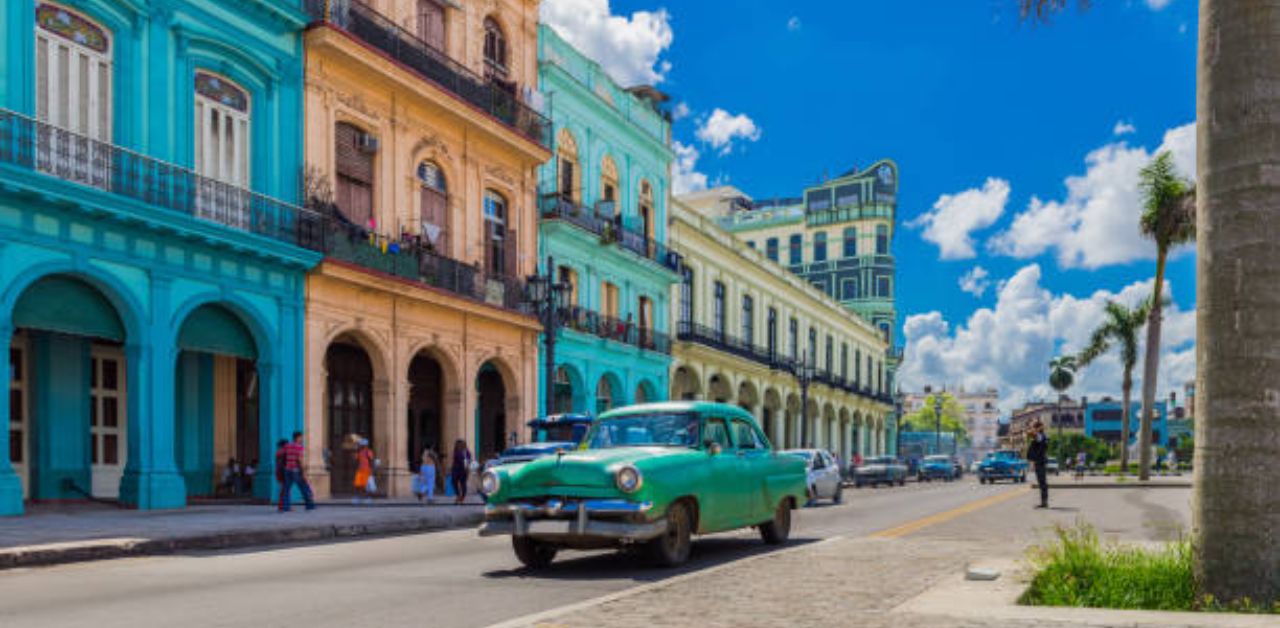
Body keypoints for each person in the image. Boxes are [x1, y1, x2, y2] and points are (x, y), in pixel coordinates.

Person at [280, 432, 315, 512]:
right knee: (304, 487)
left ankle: (286, 507)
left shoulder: (287, 446)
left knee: (286, 489)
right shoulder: (299, 447)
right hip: (296, 470)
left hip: (288, 469)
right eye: (301, 437)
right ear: (298, 438)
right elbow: (300, 460)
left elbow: (282, 456)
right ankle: (310, 505)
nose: (302, 439)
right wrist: (303, 472)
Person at [1026, 421, 1050, 508]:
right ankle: (1044, 502)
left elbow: (1032, 434)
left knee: (1042, 482)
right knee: (1041, 482)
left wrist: (1034, 430)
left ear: (1038, 427)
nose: (1033, 429)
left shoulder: (1040, 436)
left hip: (1040, 461)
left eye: (1035, 427)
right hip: (1039, 461)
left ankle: (1044, 502)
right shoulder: (1041, 436)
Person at [353, 438, 376, 505]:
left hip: (366, 470)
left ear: (365, 445)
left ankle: (368, 499)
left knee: (366, 486)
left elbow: (371, 461)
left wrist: (371, 470)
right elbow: (356, 461)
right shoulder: (359, 452)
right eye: (360, 444)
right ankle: (358, 498)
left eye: (361, 444)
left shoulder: (368, 452)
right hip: (360, 470)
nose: (360, 445)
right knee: (357, 485)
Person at [451, 439, 472, 505]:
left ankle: (461, 498)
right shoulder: (456, 451)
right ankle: (458, 496)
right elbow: (455, 460)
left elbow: (468, 459)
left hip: (463, 470)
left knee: (463, 484)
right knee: (454, 482)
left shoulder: (466, 452)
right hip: (456, 470)